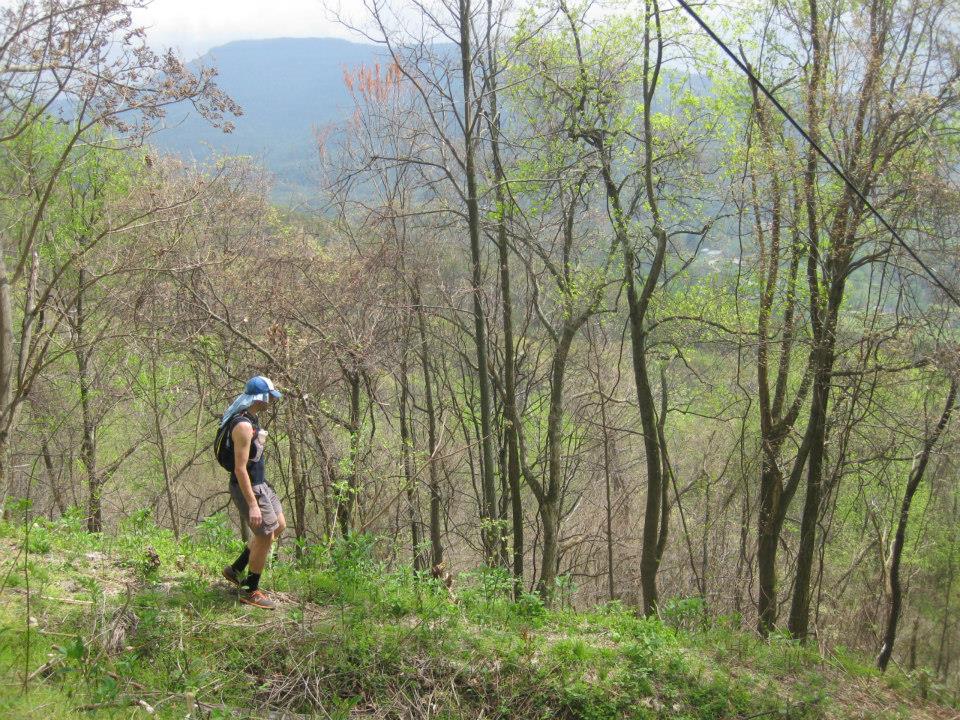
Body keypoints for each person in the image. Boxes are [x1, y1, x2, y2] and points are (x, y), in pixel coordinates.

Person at [219, 375, 286, 609]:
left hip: (261, 483)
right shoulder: (243, 426)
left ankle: (236, 569)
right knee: (265, 535)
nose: (271, 402)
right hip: (248, 486)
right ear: (262, 398)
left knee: (278, 525)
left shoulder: (251, 418)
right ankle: (251, 590)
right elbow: (239, 469)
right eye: (270, 397)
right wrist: (254, 504)